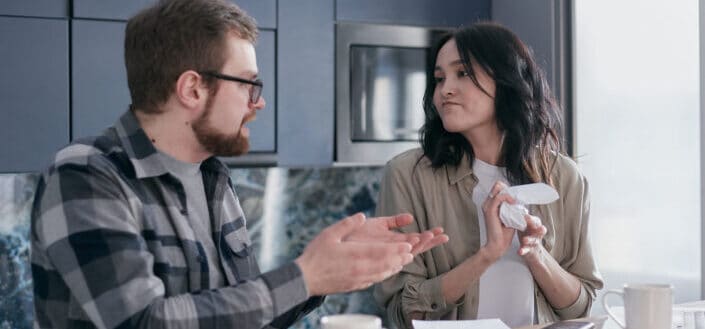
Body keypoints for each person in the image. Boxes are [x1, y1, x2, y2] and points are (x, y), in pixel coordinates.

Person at [29, 1, 449, 328]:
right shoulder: (86, 176)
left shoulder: (213, 178)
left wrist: (332, 269)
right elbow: (141, 321)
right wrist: (305, 276)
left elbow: (240, 315)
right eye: (249, 84)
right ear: (193, 88)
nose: (259, 102)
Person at [373, 22, 603, 328]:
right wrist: (487, 254)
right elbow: (402, 314)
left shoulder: (564, 177)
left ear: (506, 80)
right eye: (439, 79)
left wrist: (535, 253)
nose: (445, 90)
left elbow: (581, 306)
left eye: (462, 73)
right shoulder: (407, 176)